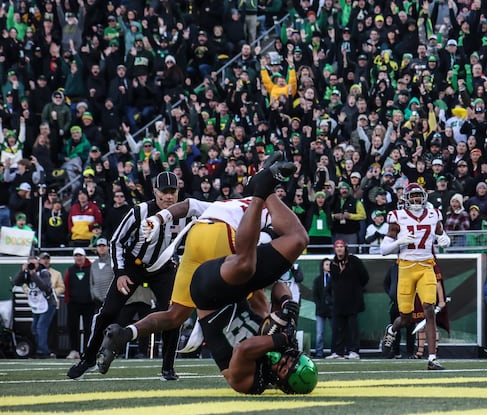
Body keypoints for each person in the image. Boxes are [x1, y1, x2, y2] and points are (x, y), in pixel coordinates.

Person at [106, 157, 316, 394]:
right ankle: (127, 333)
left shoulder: (251, 380)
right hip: (219, 267)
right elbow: (277, 284)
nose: (282, 362)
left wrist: (283, 338)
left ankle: (262, 186)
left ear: (280, 382)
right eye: (289, 360)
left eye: (283, 369)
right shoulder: (258, 214)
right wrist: (288, 306)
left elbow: (245, 350)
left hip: (206, 259)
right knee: (254, 280)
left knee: (249, 275)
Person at [68, 171, 188, 380]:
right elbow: (116, 241)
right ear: (155, 191)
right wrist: (121, 272)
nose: (169, 197)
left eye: (173, 192)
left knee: (173, 315)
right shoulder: (140, 212)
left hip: (163, 268)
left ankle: (168, 368)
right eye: (165, 192)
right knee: (108, 313)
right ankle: (87, 359)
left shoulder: (185, 211)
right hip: (134, 266)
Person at [380, 183, 450, 370]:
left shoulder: (434, 214)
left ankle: (432, 359)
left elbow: (443, 236)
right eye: (413, 196)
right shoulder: (397, 217)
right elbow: (383, 250)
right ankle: (392, 329)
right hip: (405, 268)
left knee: (429, 308)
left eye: (419, 195)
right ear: (406, 199)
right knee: (406, 316)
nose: (417, 199)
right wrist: (399, 241)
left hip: (427, 265)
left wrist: (445, 239)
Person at [326, 239, 369, 359]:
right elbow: (333, 282)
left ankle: (353, 350)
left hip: (353, 300)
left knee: (352, 328)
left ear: (345, 248)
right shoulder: (333, 264)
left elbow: (365, 277)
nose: (339, 249)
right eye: (337, 247)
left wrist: (356, 289)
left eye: (341, 246)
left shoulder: (354, 260)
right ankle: (338, 352)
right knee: (338, 328)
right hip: (339, 302)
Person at [13, 256, 56, 358]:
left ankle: (42, 351)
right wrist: (22, 271)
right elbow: (16, 282)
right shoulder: (26, 273)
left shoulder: (44, 272)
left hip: (48, 303)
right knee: (34, 329)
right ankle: (40, 349)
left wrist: (34, 275)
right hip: (36, 305)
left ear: (38, 263)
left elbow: (45, 287)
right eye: (30, 263)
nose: (33, 266)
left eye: (35, 263)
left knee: (41, 327)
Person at [64, 247, 93, 359]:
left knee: (88, 327)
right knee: (72, 327)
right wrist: (68, 300)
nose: (78, 258)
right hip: (73, 303)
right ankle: (74, 350)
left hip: (89, 303)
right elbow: (66, 285)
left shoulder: (91, 268)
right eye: (76, 255)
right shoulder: (70, 270)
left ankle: (87, 350)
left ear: (84, 256)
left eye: (80, 255)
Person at [312, 258, 333, 358]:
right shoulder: (318, 280)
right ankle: (319, 352)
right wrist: (319, 305)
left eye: (330, 264)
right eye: (326, 264)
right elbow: (315, 295)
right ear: (322, 266)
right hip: (320, 310)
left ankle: (335, 351)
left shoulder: (334, 279)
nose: (328, 266)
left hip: (332, 310)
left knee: (336, 331)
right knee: (320, 333)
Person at [89, 238, 114, 310]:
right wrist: (93, 295)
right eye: (99, 246)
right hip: (97, 301)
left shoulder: (113, 262)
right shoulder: (94, 264)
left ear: (108, 247)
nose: (101, 248)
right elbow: (91, 282)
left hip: (111, 299)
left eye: (104, 246)